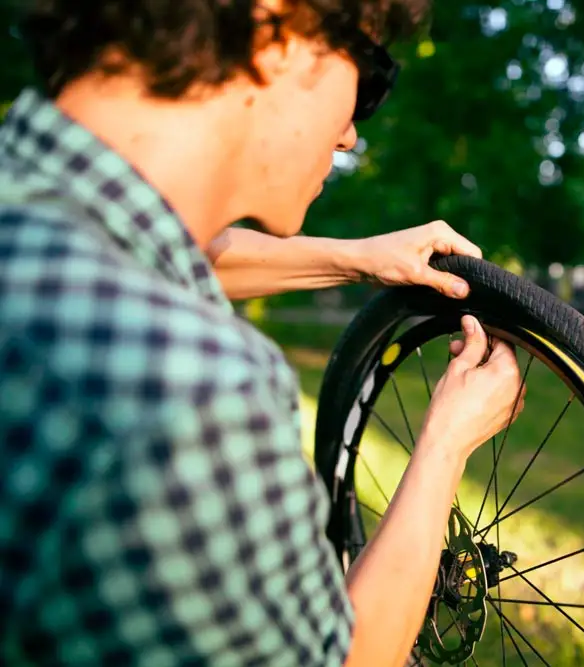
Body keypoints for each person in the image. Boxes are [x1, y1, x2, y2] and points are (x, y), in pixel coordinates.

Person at [0, 1, 525, 666]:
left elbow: (143, 248)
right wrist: (448, 440)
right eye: (370, 75)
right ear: (278, 27)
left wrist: (354, 256)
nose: (349, 139)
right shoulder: (194, 397)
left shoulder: (31, 211)